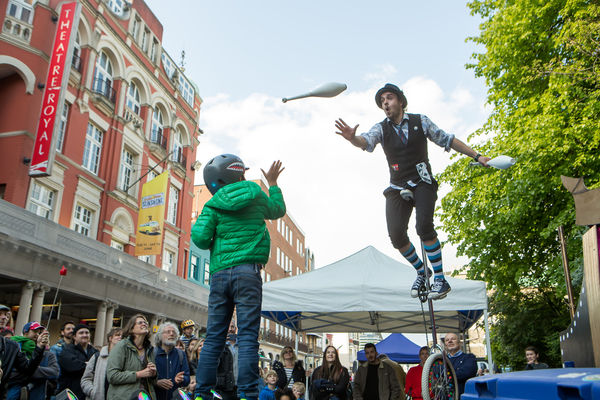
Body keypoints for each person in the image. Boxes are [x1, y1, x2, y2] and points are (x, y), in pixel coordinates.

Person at [335, 84, 490, 300]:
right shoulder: (381, 128)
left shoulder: (420, 121)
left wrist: (477, 156)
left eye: (389, 98)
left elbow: (448, 139)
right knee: (397, 235)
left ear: (400, 101)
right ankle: (421, 270)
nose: (385, 103)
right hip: (398, 186)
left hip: (423, 182)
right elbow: (366, 141)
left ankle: (439, 279)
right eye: (382, 101)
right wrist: (353, 138)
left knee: (424, 227)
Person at [192, 155, 286, 400]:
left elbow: (200, 239)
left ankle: (202, 393)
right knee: (247, 336)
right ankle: (246, 394)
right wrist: (273, 184)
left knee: (214, 336)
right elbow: (278, 210)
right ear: (238, 174)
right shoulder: (255, 192)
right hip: (248, 272)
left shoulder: (212, 205)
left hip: (221, 274)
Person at [0, 307, 48, 399]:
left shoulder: (12, 346)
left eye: (6, 315)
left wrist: (39, 348)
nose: (4, 317)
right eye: (0, 314)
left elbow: (27, 368)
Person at [106, 314, 157, 400]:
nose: (144, 324)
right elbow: (112, 376)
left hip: (145, 396)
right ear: (132, 328)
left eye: (145, 323)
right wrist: (138, 374)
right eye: (140, 323)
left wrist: (153, 374)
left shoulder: (149, 349)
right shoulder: (121, 346)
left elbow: (153, 382)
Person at [6, 321, 58, 400]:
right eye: (34, 331)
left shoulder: (48, 354)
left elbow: (54, 372)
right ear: (25, 332)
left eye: (39, 332)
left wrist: (28, 370)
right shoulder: (15, 345)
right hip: (14, 386)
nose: (37, 334)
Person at [81, 327, 123, 400]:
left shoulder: (125, 358)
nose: (120, 337)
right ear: (110, 338)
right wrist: (93, 392)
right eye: (117, 335)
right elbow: (86, 379)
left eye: (122, 336)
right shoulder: (97, 357)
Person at [58, 324, 98, 399]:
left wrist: (85, 364)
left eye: (87, 333)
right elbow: (72, 366)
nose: (84, 335)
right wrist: (90, 365)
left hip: (89, 393)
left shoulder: (95, 352)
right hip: (71, 393)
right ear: (74, 337)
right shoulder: (67, 350)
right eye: (81, 333)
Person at [154, 322, 191, 400]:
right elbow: (144, 379)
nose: (171, 334)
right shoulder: (151, 353)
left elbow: (187, 378)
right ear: (160, 336)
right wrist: (156, 382)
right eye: (168, 332)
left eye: (174, 332)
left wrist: (181, 379)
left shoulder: (181, 354)